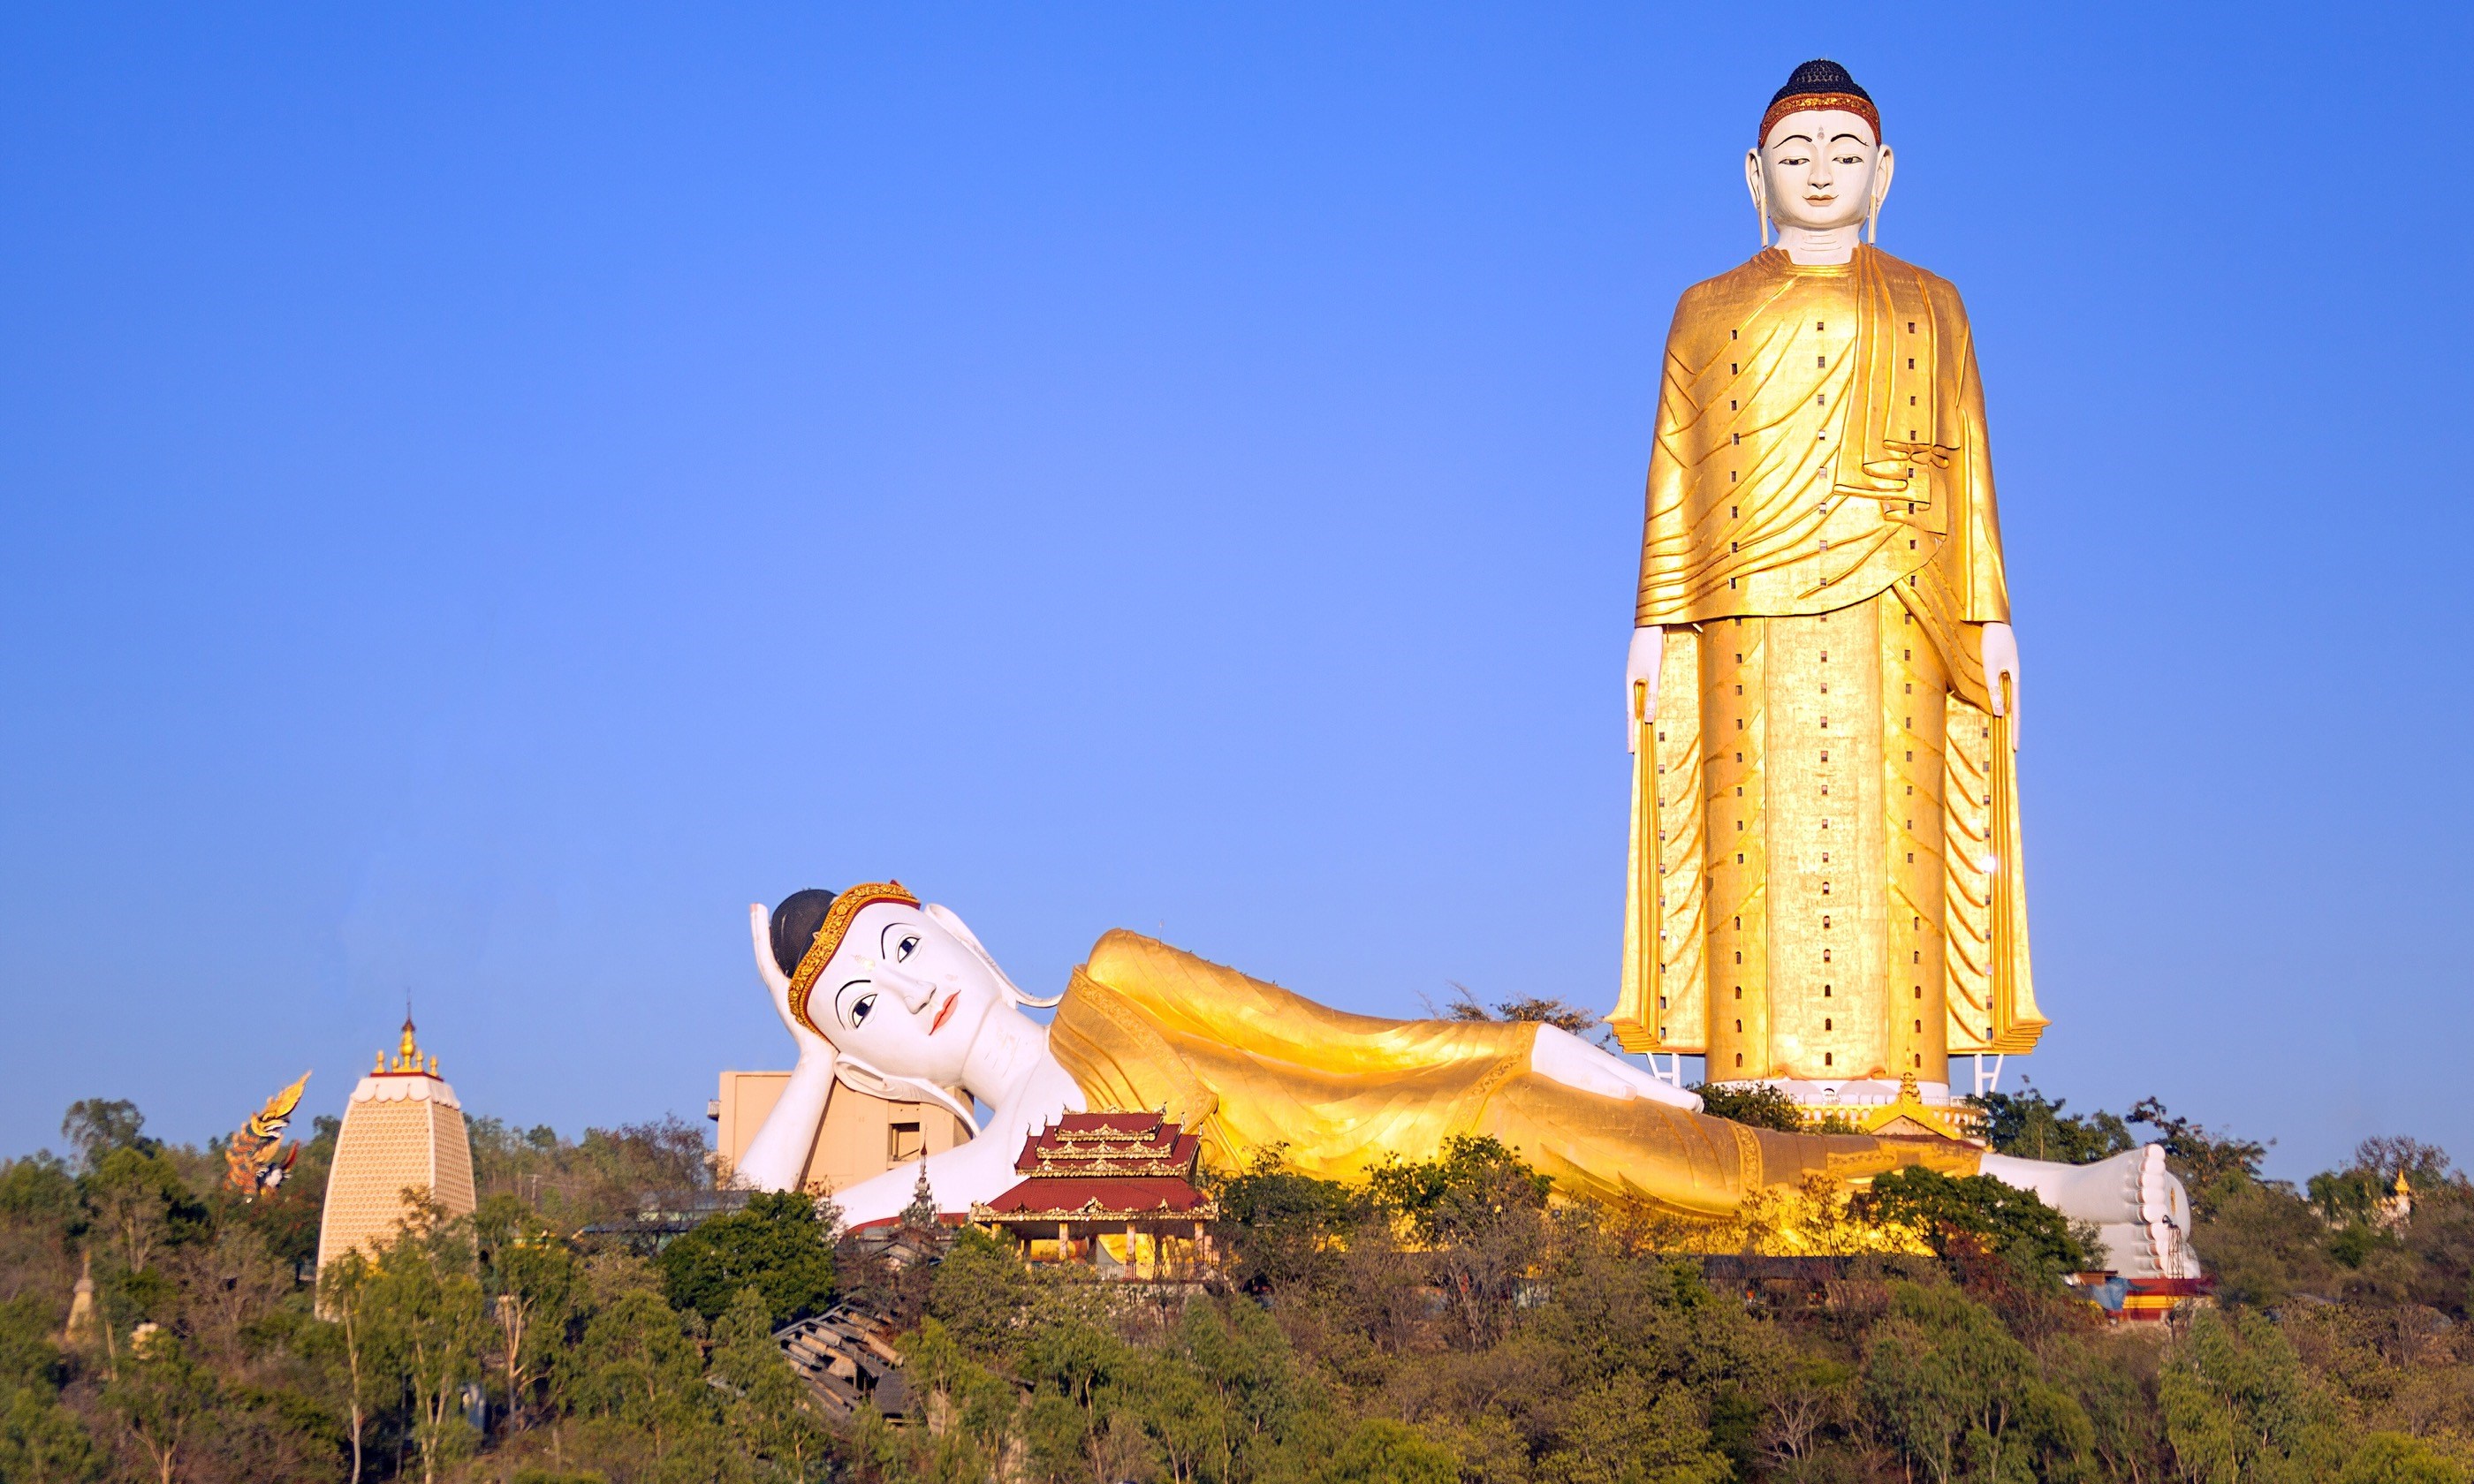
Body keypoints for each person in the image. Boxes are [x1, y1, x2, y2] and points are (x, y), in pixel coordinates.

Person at [734, 884, 2194, 1277]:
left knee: (1722, 1174)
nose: (909, 985)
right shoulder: (984, 1173)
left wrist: (1528, 1050)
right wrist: (809, 1063)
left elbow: (1341, 1036)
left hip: (1455, 1126)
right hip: (1413, 1247)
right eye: (868, 1003)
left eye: (904, 945)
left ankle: (2051, 1196)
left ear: (966, 935)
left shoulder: (1120, 975)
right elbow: (767, 1219)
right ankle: (2053, 1215)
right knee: (1719, 1228)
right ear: (872, 1050)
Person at [1611, 59, 2045, 1122]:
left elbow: (1971, 465)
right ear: (1753, 172)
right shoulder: (1705, 309)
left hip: (1897, 602)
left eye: (1845, 155)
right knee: (1744, 840)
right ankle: (1752, 1090)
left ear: (1883, 173)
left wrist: (1990, 612)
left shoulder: (1931, 303)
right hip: (1740, 610)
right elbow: (1675, 470)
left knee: (1894, 835)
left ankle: (1904, 1086)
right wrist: (1652, 622)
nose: (1820, 174)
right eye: (1797, 155)